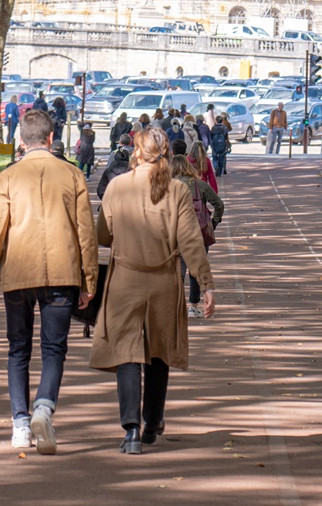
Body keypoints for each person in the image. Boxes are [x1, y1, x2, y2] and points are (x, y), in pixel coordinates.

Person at [0, 107, 98, 454]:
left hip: (17, 275)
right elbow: (86, 233)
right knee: (54, 348)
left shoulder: (6, 179)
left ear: (21, 141)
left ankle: (19, 423)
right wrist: (90, 279)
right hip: (62, 273)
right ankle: (44, 406)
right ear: (50, 139)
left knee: (18, 349)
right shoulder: (73, 175)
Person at [91, 126, 215, 453]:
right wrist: (206, 284)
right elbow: (190, 241)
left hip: (125, 281)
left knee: (127, 354)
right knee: (158, 353)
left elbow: (102, 236)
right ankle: (153, 421)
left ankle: (130, 430)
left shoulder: (117, 186)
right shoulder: (176, 190)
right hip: (164, 281)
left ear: (137, 150)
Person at [170, 154, 224, 318]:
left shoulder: (167, 186)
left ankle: (175, 306)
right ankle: (193, 306)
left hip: (175, 232)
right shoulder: (200, 185)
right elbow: (219, 204)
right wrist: (213, 222)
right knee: (196, 269)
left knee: (176, 271)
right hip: (198, 232)